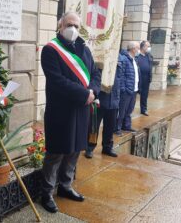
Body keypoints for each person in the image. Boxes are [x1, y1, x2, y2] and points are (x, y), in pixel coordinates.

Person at [40, 11, 101, 213]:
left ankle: (65, 186)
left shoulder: (84, 48)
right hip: (61, 111)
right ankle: (47, 192)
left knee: (74, 150)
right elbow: (57, 81)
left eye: (76, 25)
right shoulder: (51, 50)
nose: (73, 29)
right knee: (56, 153)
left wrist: (93, 91)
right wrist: (85, 94)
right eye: (69, 25)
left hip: (82, 110)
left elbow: (95, 74)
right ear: (60, 25)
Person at [85, 54, 123, 158]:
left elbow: (120, 83)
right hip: (101, 100)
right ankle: (89, 147)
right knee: (94, 127)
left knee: (110, 127)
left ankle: (107, 148)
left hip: (114, 101)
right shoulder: (100, 63)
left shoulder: (118, 63)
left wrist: (118, 99)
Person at [116, 41, 141, 136]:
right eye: (138, 48)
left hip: (134, 89)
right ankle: (117, 128)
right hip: (126, 90)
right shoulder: (124, 59)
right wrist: (123, 88)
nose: (139, 50)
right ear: (133, 49)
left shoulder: (134, 59)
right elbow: (121, 76)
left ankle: (126, 126)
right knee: (122, 110)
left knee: (129, 109)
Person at [136, 40, 153, 116]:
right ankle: (128, 111)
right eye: (148, 46)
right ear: (143, 47)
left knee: (144, 95)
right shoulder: (137, 56)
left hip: (146, 78)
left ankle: (144, 109)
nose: (149, 48)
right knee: (134, 95)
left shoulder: (149, 56)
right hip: (138, 78)